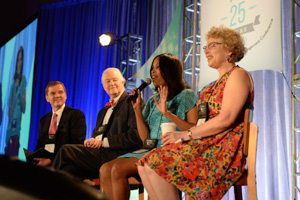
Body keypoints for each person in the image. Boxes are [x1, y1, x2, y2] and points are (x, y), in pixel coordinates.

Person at [137, 26, 254, 200]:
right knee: (143, 164)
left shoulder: (238, 75)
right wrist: (171, 117)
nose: (206, 51)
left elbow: (226, 119)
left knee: (155, 163)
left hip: (220, 147)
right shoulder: (211, 87)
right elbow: (199, 123)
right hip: (205, 142)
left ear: (229, 49)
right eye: (206, 47)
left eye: (213, 45)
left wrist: (186, 135)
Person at [100, 53, 198, 200]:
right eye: (152, 68)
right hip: (149, 149)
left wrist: (166, 112)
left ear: (170, 70)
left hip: (171, 149)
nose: (152, 71)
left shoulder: (186, 95)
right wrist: (137, 109)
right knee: (105, 168)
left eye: (158, 67)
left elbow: (194, 129)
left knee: (117, 169)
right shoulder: (153, 100)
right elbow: (145, 138)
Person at [51, 68, 143, 180]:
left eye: (115, 80)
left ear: (122, 82)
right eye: (107, 81)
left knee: (66, 150)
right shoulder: (102, 111)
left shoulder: (132, 102)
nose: (112, 84)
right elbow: (98, 135)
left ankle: (45, 191)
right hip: (98, 156)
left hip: (118, 155)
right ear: (103, 86)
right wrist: (92, 141)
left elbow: (135, 136)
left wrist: (102, 143)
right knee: (68, 169)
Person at [34, 81, 86, 166]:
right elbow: (40, 144)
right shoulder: (44, 119)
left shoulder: (76, 115)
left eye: (60, 92)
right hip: (45, 162)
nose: (57, 96)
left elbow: (75, 145)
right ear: (47, 98)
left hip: (65, 162)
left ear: (65, 95)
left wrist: (51, 160)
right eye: (53, 93)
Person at [5, 46, 27, 156]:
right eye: (18, 59)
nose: (19, 62)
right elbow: (10, 105)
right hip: (11, 122)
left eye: (21, 59)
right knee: (8, 147)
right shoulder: (14, 81)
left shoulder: (23, 80)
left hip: (18, 123)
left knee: (15, 148)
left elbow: (24, 109)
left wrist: (23, 99)